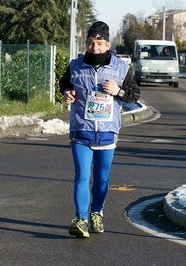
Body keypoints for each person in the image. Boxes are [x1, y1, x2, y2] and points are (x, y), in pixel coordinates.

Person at [59, 21, 140, 238]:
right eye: (91, 42)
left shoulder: (121, 67)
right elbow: (64, 84)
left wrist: (118, 91)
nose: (94, 47)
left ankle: (96, 212)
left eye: (99, 43)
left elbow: (134, 95)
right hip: (81, 131)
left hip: (107, 132)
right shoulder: (76, 65)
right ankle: (81, 219)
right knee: (82, 176)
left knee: (101, 180)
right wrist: (67, 92)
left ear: (108, 44)